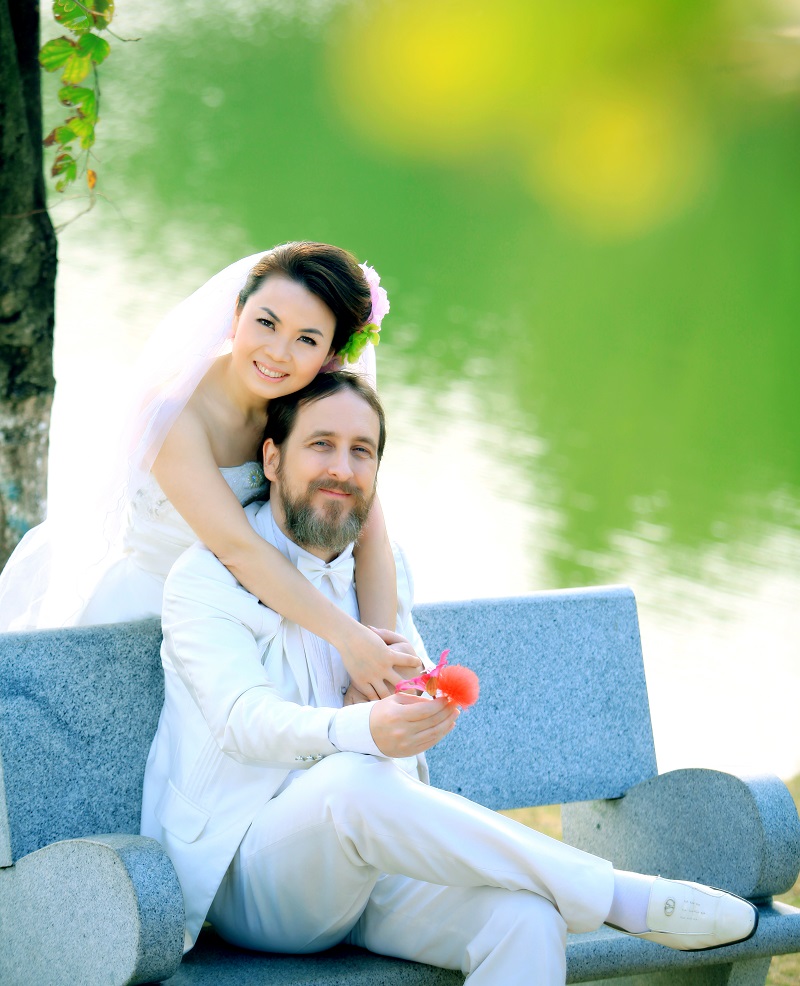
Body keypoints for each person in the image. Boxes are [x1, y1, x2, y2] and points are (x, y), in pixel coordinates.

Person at [142, 371, 758, 984]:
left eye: (362, 451)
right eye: (320, 444)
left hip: (374, 869)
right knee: (353, 778)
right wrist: (365, 728)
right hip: (250, 876)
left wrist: (416, 714)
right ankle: (620, 897)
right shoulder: (207, 579)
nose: (342, 468)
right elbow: (241, 722)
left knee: (526, 921)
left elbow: (394, 723)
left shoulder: (379, 570)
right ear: (272, 458)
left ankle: (586, 896)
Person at [0, 242, 414, 699]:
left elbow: (372, 534)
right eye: (266, 323)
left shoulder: (309, 410)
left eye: (306, 340)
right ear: (237, 314)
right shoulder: (173, 412)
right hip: (147, 621)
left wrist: (379, 660)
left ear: (330, 352)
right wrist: (349, 639)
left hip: (261, 628)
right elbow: (238, 549)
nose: (278, 353)